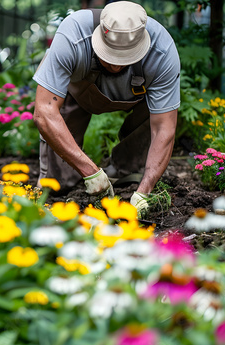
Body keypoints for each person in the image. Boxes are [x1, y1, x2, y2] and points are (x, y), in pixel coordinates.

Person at [32, 1, 180, 215]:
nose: (115, 66)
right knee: (58, 184)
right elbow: (45, 111)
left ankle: (128, 175)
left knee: (135, 176)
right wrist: (90, 172)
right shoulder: (73, 34)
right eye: (109, 56)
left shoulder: (162, 51)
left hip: (137, 100)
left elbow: (164, 128)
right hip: (75, 94)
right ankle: (73, 179)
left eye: (124, 58)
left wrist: (144, 191)